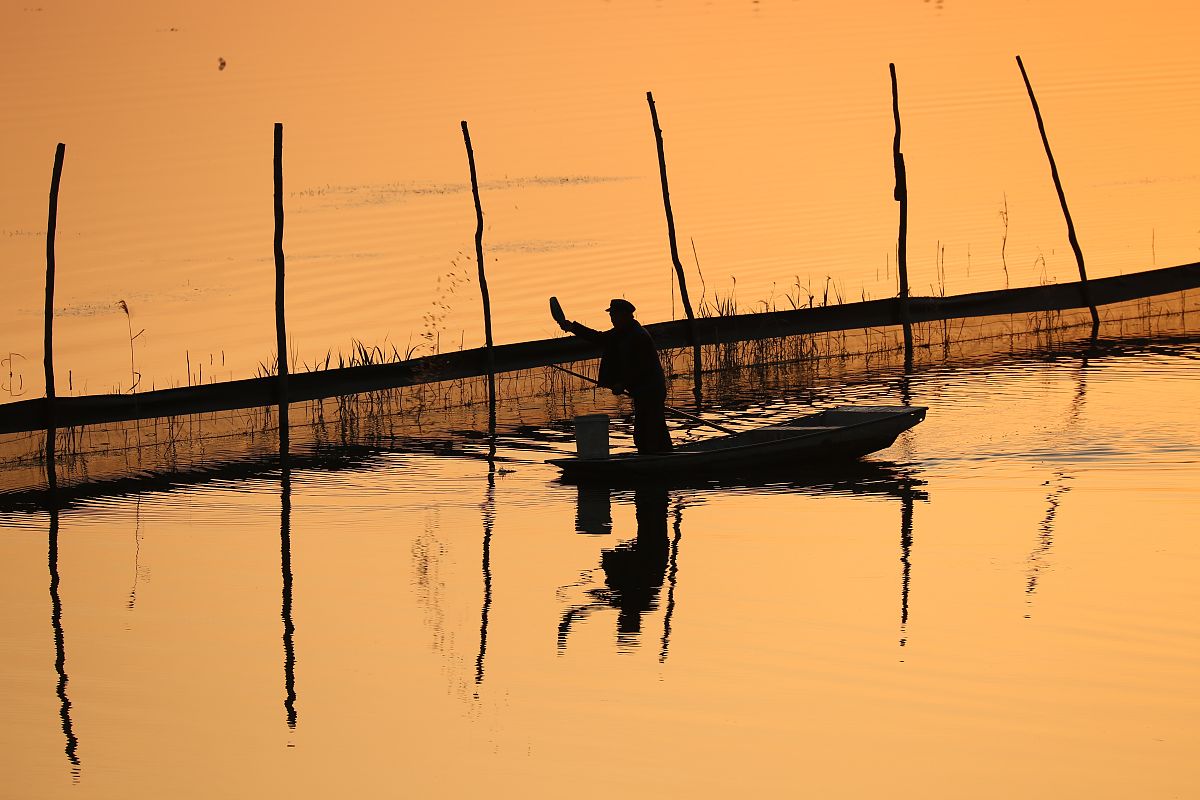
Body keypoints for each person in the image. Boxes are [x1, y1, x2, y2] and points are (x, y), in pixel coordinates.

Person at [558, 298, 672, 454]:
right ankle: (655, 455)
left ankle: (661, 458)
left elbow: (641, 369)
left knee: (651, 430)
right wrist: (572, 327)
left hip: (651, 390)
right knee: (645, 432)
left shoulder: (638, 336)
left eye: (614, 315)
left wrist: (622, 384)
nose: (612, 319)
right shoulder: (622, 333)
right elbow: (599, 338)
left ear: (625, 315)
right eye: (611, 315)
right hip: (642, 391)